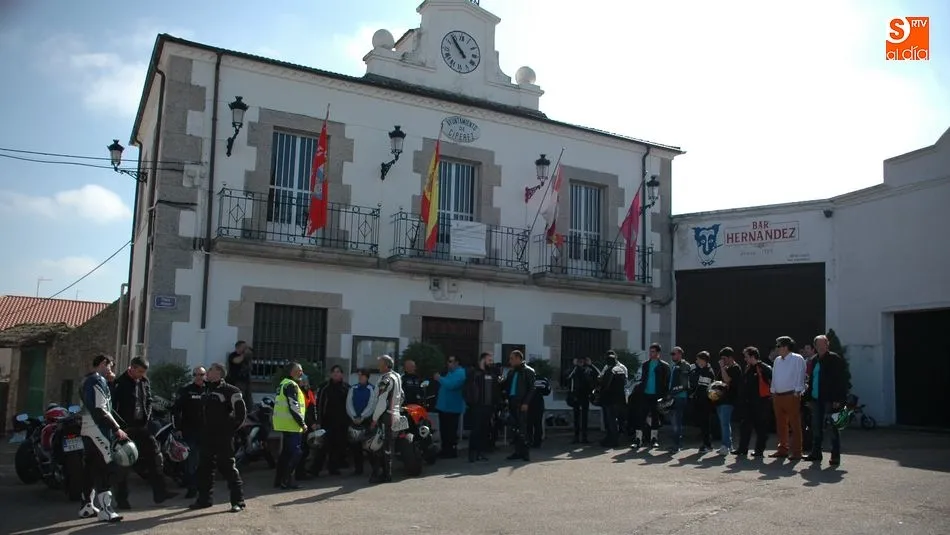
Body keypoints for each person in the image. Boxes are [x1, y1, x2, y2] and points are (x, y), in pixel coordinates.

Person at [111, 357, 176, 509]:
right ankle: (122, 499)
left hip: (142, 426)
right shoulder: (120, 383)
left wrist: (147, 416)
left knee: (155, 457)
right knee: (123, 465)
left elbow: (148, 400)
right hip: (125, 429)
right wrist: (118, 427)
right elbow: (113, 406)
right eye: (138, 371)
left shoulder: (144, 382)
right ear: (131, 368)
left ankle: (160, 492)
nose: (140, 374)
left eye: (143, 372)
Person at [189, 362, 246, 512]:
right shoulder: (206, 390)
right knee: (204, 469)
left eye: (211, 370)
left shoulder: (231, 390)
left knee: (228, 467)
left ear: (219, 373)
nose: (207, 372)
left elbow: (241, 414)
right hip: (207, 436)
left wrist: (229, 430)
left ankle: (238, 502)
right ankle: (204, 500)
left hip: (223, 437)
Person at [78, 354, 127, 523]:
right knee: (105, 468)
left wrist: (111, 382)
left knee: (91, 467)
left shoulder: (86, 380)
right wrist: (116, 428)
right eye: (110, 366)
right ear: (103, 363)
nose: (110, 370)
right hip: (98, 430)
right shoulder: (97, 380)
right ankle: (106, 510)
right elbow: (101, 408)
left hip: (87, 429)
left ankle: (87, 505)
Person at [806, 335, 850, 466]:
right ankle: (816, 453)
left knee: (833, 428)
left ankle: (835, 456)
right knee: (816, 427)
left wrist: (838, 398)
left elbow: (841, 380)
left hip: (831, 399)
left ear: (827, 345)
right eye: (818, 345)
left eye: (823, 344)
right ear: (815, 346)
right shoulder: (814, 360)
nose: (821, 347)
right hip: (816, 399)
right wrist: (808, 397)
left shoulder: (834, 359)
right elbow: (812, 379)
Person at [172, 366, 207, 499]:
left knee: (203, 461)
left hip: (205, 432)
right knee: (191, 461)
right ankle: (192, 488)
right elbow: (176, 410)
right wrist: (178, 428)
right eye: (196, 374)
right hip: (190, 431)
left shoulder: (209, 390)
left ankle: (201, 487)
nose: (199, 377)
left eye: (202, 374)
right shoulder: (186, 391)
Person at [770, 336, 807, 460]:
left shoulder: (797, 359)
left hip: (792, 395)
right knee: (781, 425)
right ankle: (782, 449)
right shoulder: (777, 361)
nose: (777, 348)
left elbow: (800, 374)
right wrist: (773, 391)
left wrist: (798, 391)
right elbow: (774, 376)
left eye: (779, 346)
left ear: (786, 347)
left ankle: (797, 451)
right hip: (778, 396)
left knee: (794, 424)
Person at [368, 355, 403, 484]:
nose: (378, 366)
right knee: (388, 445)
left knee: (380, 445)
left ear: (386, 365)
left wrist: (374, 418)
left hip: (386, 415)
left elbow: (382, 400)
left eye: (380, 364)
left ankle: (384, 474)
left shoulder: (387, 379)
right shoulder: (397, 376)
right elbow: (401, 395)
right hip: (394, 414)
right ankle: (386, 473)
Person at [733, 347, 773, 457]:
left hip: (761, 403)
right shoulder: (748, 368)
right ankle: (742, 449)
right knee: (745, 426)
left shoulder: (763, 367)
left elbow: (773, 378)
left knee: (761, 428)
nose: (745, 359)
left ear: (752, 356)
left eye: (746, 356)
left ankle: (759, 451)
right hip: (748, 404)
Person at [272, 361, 306, 490]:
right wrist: (302, 423)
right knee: (295, 453)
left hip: (285, 424)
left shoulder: (283, 383)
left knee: (286, 453)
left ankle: (279, 479)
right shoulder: (290, 385)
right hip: (291, 425)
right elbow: (294, 406)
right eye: (298, 370)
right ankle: (287, 480)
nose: (301, 372)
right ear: (291, 372)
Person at [312, 365, 350, 476]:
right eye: (334, 372)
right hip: (326, 422)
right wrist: (318, 421)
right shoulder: (324, 387)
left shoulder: (347, 388)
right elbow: (319, 405)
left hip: (341, 422)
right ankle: (315, 469)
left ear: (342, 374)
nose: (336, 374)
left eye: (338, 372)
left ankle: (333, 468)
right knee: (322, 447)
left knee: (338, 446)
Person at [499, 350, 536, 461]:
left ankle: (525, 453)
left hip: (521, 402)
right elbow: (506, 386)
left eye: (512, 358)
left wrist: (526, 403)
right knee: (514, 428)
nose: (510, 361)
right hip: (512, 402)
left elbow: (532, 388)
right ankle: (517, 451)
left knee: (522, 428)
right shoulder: (511, 372)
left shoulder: (528, 371)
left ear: (518, 359)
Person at [632, 344, 671, 449]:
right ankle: (638, 439)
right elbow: (640, 378)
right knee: (641, 416)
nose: (651, 353)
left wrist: (665, 395)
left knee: (655, 417)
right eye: (650, 351)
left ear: (658, 353)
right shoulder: (645, 364)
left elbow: (667, 382)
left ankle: (654, 439)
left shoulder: (664, 366)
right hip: (645, 394)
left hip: (657, 395)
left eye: (653, 351)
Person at [464, 352, 500, 462]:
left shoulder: (491, 373)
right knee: (475, 430)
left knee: (485, 431)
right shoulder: (474, 373)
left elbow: (495, 389)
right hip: (476, 407)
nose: (491, 362)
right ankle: (472, 454)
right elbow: (467, 390)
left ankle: (480, 453)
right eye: (489, 360)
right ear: (483, 360)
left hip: (488, 407)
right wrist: (470, 403)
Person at [433, 356, 466, 459]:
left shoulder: (460, 373)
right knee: (444, 430)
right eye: (448, 361)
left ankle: (451, 451)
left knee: (450, 431)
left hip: (452, 408)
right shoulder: (450, 372)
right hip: (444, 407)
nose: (448, 363)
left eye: (450, 361)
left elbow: (451, 385)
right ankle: (445, 449)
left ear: (457, 363)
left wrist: (439, 378)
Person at [345, 369, 376, 476]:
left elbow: (371, 404)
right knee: (355, 446)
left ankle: (375, 469)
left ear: (367, 377)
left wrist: (363, 417)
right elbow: (349, 403)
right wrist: (354, 416)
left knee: (369, 445)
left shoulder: (372, 389)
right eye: (359, 376)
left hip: (366, 421)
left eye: (362, 376)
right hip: (354, 420)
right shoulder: (353, 388)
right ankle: (358, 469)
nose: (360, 377)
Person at [717, 347, 743, 455]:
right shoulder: (725, 368)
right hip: (721, 399)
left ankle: (726, 446)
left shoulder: (736, 368)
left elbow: (727, 380)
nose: (723, 361)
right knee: (723, 423)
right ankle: (729, 444)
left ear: (730, 357)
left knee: (725, 423)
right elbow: (719, 380)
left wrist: (722, 368)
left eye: (724, 358)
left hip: (729, 400)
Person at [689, 351, 717, 453]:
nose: (696, 361)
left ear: (703, 360)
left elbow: (701, 387)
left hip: (705, 402)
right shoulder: (701, 370)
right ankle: (706, 444)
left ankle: (707, 445)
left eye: (698, 359)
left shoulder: (708, 372)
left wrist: (694, 393)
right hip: (701, 401)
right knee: (703, 424)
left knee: (705, 424)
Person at [598, 351, 627, 448]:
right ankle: (611, 439)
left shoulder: (610, 371)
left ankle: (613, 440)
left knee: (611, 421)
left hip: (610, 400)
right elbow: (625, 383)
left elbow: (605, 386)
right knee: (615, 421)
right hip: (620, 399)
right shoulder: (621, 370)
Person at [566, 357, 598, 444]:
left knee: (585, 417)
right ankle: (576, 437)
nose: (581, 362)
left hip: (585, 396)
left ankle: (584, 437)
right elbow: (568, 376)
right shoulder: (574, 369)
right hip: (575, 396)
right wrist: (575, 366)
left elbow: (598, 375)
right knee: (576, 417)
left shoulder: (588, 370)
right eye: (579, 360)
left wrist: (591, 365)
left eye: (583, 360)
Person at [667, 347, 692, 453]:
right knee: (673, 422)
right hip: (674, 397)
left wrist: (671, 393)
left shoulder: (684, 365)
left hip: (680, 397)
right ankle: (675, 444)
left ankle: (676, 445)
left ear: (680, 354)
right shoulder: (675, 366)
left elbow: (684, 385)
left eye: (674, 354)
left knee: (676, 422)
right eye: (671, 354)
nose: (672, 356)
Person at [295, 374, 319, 481]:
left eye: (306, 381)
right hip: (303, 425)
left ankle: (301, 472)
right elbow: (303, 411)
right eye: (303, 381)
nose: (305, 383)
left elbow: (312, 408)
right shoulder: (300, 393)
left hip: (308, 424)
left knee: (305, 450)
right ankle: (299, 473)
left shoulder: (308, 392)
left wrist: (315, 421)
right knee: (302, 450)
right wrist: (311, 422)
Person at [527, 365, 552, 448]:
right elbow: (548, 391)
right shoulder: (543, 379)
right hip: (539, 403)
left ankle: (529, 441)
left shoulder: (526, 378)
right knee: (538, 424)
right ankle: (537, 442)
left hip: (528, 403)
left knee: (529, 424)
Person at [226, 341, 254, 405]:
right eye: (243, 347)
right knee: (239, 398)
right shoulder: (233, 355)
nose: (245, 349)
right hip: (237, 381)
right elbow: (237, 361)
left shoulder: (247, 356)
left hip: (247, 381)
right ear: (238, 347)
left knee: (248, 400)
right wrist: (244, 354)